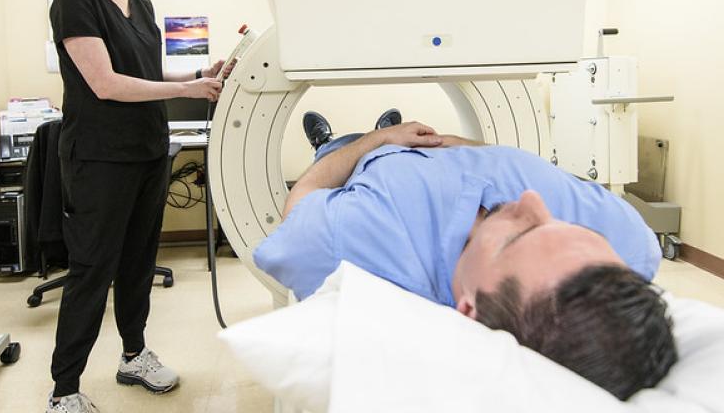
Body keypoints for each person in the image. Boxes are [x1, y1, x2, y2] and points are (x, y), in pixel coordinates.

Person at [254, 110, 677, 401]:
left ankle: (333, 140)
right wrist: (460, 146)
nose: (532, 201)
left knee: (337, 150)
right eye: (560, 223)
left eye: (521, 235)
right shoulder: (625, 244)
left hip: (365, 163)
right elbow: (519, 165)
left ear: (469, 310)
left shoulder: (356, 241)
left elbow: (304, 195)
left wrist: (378, 141)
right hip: (456, 148)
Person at [46, 0, 229, 413]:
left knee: (138, 262)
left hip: (149, 148)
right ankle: (64, 390)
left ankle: (133, 354)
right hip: (100, 156)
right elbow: (105, 84)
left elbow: (146, 70)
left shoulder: (140, 1)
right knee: (92, 268)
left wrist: (198, 78)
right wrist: (190, 91)